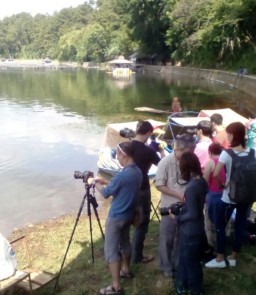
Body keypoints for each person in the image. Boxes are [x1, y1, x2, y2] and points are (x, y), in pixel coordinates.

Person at [92, 142, 143, 294]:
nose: (117, 158)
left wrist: (94, 182)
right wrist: (106, 181)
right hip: (128, 215)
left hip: (116, 218)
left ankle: (116, 286)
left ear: (124, 155)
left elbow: (106, 193)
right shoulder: (137, 171)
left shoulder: (123, 175)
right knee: (125, 242)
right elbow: (122, 185)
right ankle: (126, 269)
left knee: (111, 250)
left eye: (117, 155)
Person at [205, 122, 252, 268]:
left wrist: (222, 184)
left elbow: (216, 172)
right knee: (240, 225)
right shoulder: (252, 151)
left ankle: (219, 258)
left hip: (229, 197)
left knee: (220, 225)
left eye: (228, 133)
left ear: (232, 135)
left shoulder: (227, 153)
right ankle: (233, 257)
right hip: (246, 196)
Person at [155, 134, 196, 278]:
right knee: (167, 238)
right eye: (186, 153)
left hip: (186, 207)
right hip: (169, 206)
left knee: (181, 237)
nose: (189, 156)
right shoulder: (165, 162)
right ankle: (166, 266)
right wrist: (179, 195)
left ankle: (178, 264)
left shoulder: (189, 161)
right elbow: (159, 185)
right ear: (177, 149)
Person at [174, 152, 208, 295]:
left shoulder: (192, 187)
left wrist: (176, 217)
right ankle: (182, 283)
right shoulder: (202, 181)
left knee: (192, 262)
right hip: (198, 228)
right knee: (185, 257)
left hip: (190, 231)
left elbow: (193, 214)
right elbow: (196, 207)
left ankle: (196, 290)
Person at [131, 120, 164, 264]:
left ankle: (125, 251)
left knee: (127, 220)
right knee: (142, 222)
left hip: (126, 188)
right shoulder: (148, 151)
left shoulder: (127, 146)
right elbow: (163, 165)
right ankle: (137, 256)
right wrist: (161, 150)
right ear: (148, 133)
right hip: (142, 189)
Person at [203, 143, 226, 248]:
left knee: (210, 221)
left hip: (213, 195)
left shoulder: (211, 163)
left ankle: (212, 244)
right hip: (225, 194)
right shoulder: (225, 161)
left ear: (209, 152)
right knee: (223, 219)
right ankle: (223, 240)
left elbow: (205, 181)